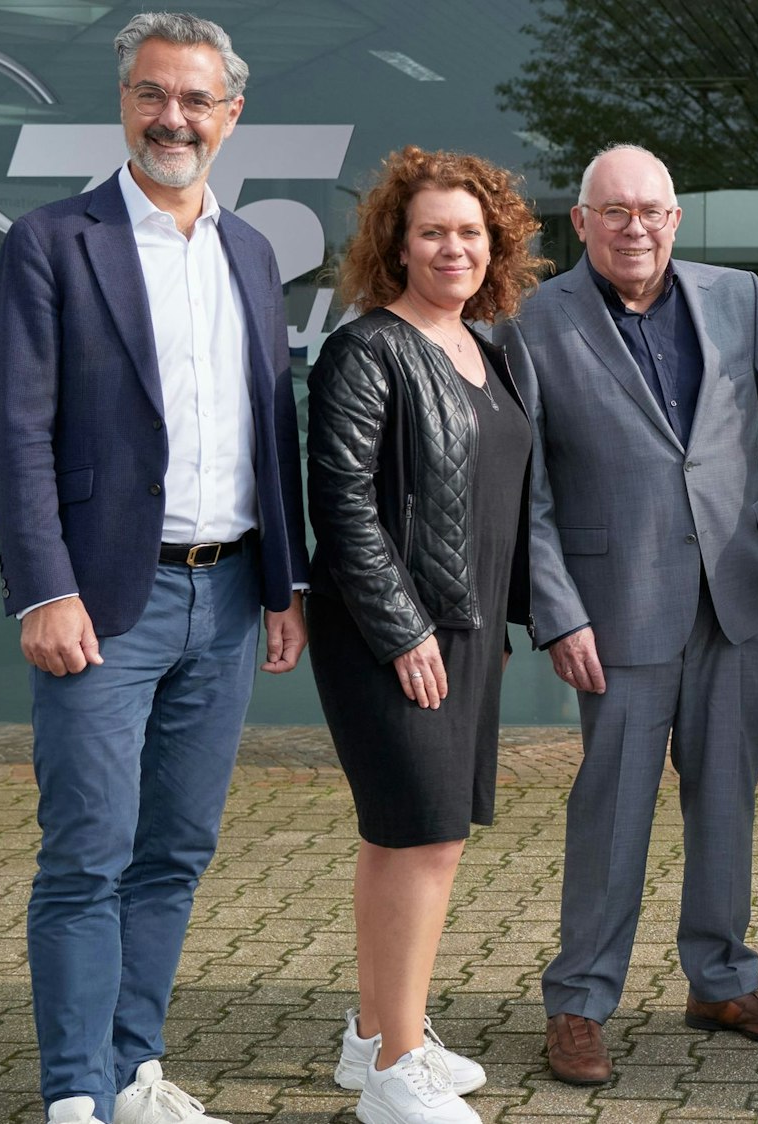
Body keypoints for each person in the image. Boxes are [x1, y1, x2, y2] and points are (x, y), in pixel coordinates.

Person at [0, 13, 308, 1124]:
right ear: (123, 104)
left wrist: (285, 584)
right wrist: (44, 587)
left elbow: (271, 427)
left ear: (231, 115)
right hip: (102, 602)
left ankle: (133, 1073)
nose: (174, 118)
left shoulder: (250, 251)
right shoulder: (51, 242)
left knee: (174, 849)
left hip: (230, 594)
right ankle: (75, 1094)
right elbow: (16, 430)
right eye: (153, 95)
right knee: (88, 851)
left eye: (195, 99)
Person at [495, 143, 758, 1086]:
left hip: (735, 598)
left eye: (651, 211)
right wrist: (557, 612)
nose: (634, 228)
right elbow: (528, 490)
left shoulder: (736, 297)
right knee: (611, 809)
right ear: (581, 223)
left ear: (675, 220)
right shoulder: (532, 320)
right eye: (615, 211)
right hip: (615, 607)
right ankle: (579, 1001)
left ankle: (721, 981)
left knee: (726, 799)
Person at [306, 146, 547, 1124]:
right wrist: (402, 629)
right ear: (396, 246)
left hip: (466, 629)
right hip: (391, 634)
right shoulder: (366, 350)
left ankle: (375, 1036)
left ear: (497, 246)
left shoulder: (492, 350)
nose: (454, 248)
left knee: (419, 836)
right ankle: (395, 1065)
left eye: (470, 232)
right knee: (419, 833)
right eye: (433, 232)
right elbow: (343, 506)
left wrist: (496, 623)